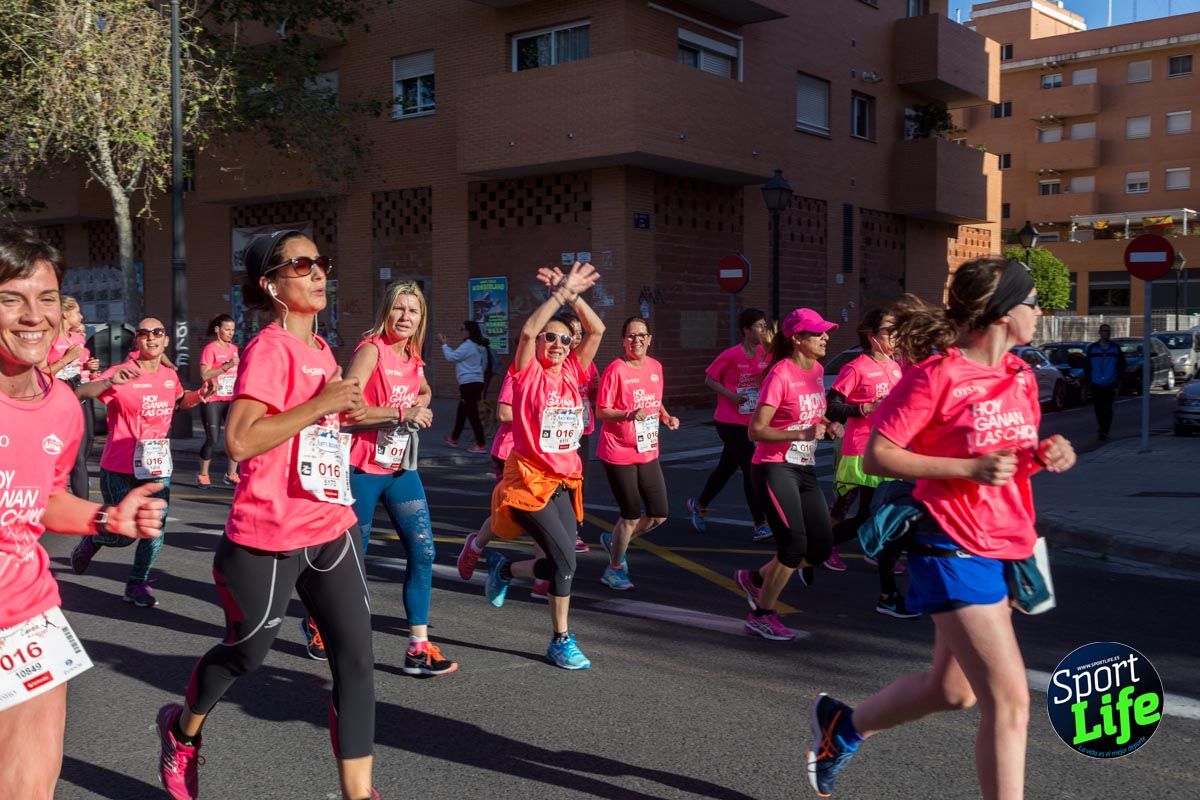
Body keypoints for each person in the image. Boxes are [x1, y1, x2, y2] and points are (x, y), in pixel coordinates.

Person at [806, 258, 1076, 800]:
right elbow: (881, 455)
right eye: (1032, 302)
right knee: (1010, 700)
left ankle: (844, 728)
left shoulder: (1020, 377)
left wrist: (1042, 455)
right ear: (1003, 313)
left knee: (953, 691)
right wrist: (967, 470)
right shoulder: (939, 375)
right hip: (950, 545)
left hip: (1005, 545)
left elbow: (1007, 456)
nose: (1040, 313)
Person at [155, 231, 379, 800]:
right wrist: (319, 405)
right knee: (245, 655)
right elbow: (239, 440)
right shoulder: (269, 348)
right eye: (301, 264)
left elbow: (324, 425)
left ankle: (360, 795)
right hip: (268, 537)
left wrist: (377, 413)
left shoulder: (323, 349)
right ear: (269, 283)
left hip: (331, 526)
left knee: (355, 662)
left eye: (320, 262)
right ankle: (182, 732)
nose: (317, 272)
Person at [0, 226, 165, 800]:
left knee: (31, 787)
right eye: (11, 298)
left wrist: (105, 519)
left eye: (45, 299)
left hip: (30, 615)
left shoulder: (62, 405)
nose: (33, 316)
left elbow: (42, 499)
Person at [483, 260, 604, 669]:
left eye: (564, 340)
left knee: (559, 561)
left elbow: (598, 331)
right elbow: (530, 331)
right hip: (527, 482)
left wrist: (574, 296)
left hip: (565, 481)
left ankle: (504, 568)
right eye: (551, 338)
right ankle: (560, 639)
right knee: (566, 561)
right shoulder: (527, 373)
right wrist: (557, 297)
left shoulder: (574, 371)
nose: (556, 344)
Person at [345, 281, 457, 677]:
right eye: (399, 309)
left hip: (399, 469)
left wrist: (419, 405)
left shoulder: (413, 356)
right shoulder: (371, 350)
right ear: (386, 311)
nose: (406, 317)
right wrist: (400, 415)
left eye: (414, 311)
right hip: (362, 470)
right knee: (349, 562)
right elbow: (346, 410)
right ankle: (318, 622)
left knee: (424, 552)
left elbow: (423, 389)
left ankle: (418, 647)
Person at [69, 317, 210, 607]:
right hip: (120, 466)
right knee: (123, 535)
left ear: (166, 340)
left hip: (157, 466)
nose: (151, 338)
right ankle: (93, 541)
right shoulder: (122, 372)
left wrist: (200, 396)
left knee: (154, 528)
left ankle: (137, 584)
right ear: (137, 341)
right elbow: (80, 393)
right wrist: (108, 382)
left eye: (158, 332)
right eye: (144, 333)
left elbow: (180, 400)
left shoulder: (169, 374)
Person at [733, 308, 840, 641]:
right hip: (773, 467)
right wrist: (802, 435)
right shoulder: (780, 374)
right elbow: (756, 431)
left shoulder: (818, 369)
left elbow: (810, 413)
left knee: (820, 549)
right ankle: (761, 615)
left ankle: (757, 579)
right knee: (793, 545)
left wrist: (827, 424)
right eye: (818, 333)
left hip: (803, 466)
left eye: (825, 332)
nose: (825, 338)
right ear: (797, 338)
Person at [822, 310, 918, 619]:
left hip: (890, 450)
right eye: (890, 332)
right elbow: (832, 405)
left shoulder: (896, 366)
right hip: (861, 450)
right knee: (855, 511)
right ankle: (820, 549)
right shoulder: (856, 367)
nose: (895, 337)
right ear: (873, 336)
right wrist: (864, 407)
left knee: (872, 514)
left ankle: (876, 562)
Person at [595, 316, 680, 590]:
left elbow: (654, 399)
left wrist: (666, 416)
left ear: (649, 339)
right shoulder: (615, 370)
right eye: (631, 336)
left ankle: (615, 539)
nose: (637, 340)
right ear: (624, 340)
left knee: (659, 515)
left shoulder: (655, 367)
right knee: (630, 515)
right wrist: (629, 414)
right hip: (618, 451)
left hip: (647, 449)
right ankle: (614, 568)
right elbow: (601, 411)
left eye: (641, 335)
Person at [688, 308, 772, 541]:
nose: (763, 330)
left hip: (751, 420)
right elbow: (709, 379)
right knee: (750, 468)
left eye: (765, 325)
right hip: (728, 421)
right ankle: (760, 524)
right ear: (746, 329)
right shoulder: (731, 355)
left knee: (726, 467)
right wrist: (732, 395)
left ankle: (700, 504)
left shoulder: (766, 353)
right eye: (759, 326)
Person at [46, 295, 100, 498]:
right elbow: (40, 372)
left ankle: (81, 510)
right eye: (77, 311)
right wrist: (66, 359)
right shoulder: (48, 339)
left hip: (80, 394)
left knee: (84, 450)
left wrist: (90, 367)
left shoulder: (78, 339)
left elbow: (82, 365)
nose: (81, 315)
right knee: (73, 457)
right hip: (57, 397)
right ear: (65, 314)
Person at [562, 310, 597, 553]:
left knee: (578, 483)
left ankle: (573, 528)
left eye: (579, 333)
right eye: (571, 333)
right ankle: (563, 528)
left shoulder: (587, 362)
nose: (576, 337)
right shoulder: (555, 362)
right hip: (559, 434)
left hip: (582, 430)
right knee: (559, 483)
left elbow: (596, 392)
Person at [197, 313, 241, 486]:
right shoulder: (210, 349)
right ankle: (203, 474)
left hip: (231, 398)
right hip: (213, 399)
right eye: (227, 329)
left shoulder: (234, 349)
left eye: (232, 330)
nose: (230, 333)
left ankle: (231, 474)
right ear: (217, 329)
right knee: (213, 438)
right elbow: (204, 374)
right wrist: (227, 366)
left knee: (234, 438)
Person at [440, 320, 488, 453]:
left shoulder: (468, 345)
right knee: (462, 411)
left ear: (469, 331)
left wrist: (444, 345)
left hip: (468, 383)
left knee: (472, 414)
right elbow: (483, 365)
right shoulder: (479, 346)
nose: (461, 331)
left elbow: (451, 357)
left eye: (462, 329)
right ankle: (454, 438)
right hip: (476, 382)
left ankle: (481, 444)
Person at [1084, 323, 1125, 441]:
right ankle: (1101, 428)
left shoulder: (1115, 348)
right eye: (1103, 331)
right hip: (1096, 383)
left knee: (1107, 408)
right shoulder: (1092, 348)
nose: (1105, 333)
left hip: (1110, 383)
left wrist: (1118, 380)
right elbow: (1087, 366)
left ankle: (1105, 429)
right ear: (1100, 333)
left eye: (1107, 331)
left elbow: (1121, 365)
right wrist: (1088, 381)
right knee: (1098, 408)